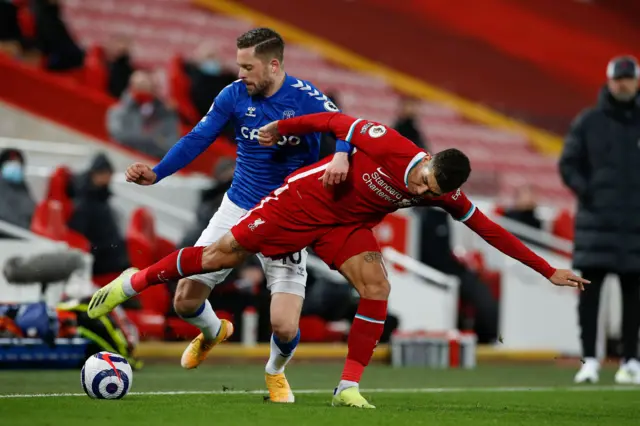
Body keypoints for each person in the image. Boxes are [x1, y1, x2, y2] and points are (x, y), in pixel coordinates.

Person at [89, 111, 588, 408]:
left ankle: (346, 387)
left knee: (377, 287)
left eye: (431, 191)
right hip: (304, 202)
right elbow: (334, 121)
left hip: (345, 228)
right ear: (428, 161)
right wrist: (298, 135)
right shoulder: (393, 146)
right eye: (423, 182)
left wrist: (549, 271)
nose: (421, 191)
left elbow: (491, 230)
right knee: (221, 254)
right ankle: (134, 282)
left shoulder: (445, 194)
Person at [100, 28, 350, 403]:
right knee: (184, 301)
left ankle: (275, 372)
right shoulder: (233, 95)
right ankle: (214, 331)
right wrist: (158, 172)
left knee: (284, 326)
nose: (240, 74)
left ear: (274, 65)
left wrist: (342, 156)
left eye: (248, 67)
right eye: (238, 65)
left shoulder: (306, 98)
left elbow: (348, 127)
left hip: (287, 215)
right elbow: (196, 139)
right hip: (238, 205)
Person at [559, 55, 640, 385]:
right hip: (596, 224)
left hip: (635, 225)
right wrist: (587, 191)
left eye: (628, 78)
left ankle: (631, 361)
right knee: (589, 296)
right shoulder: (588, 121)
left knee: (633, 297)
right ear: (608, 81)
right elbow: (568, 164)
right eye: (617, 78)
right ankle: (589, 361)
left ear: (636, 81)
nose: (622, 83)